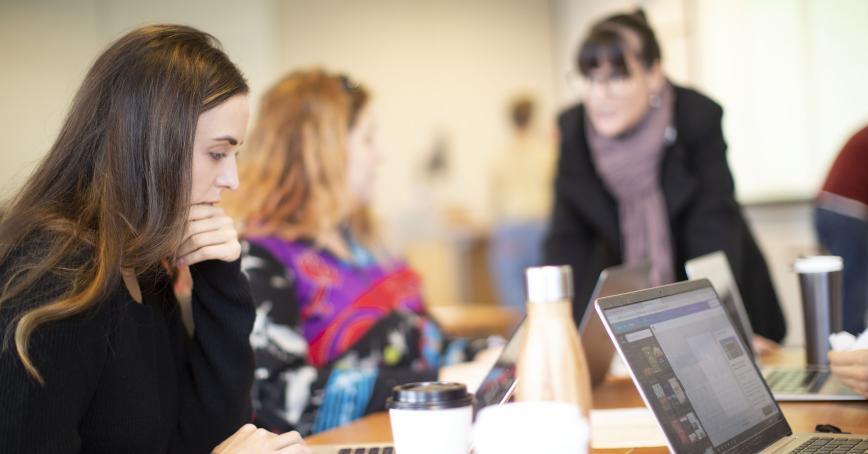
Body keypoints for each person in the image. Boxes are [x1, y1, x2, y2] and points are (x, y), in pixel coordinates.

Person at [0, 25, 310, 453]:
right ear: (149, 147)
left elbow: (209, 436)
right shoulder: (58, 279)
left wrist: (218, 278)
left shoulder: (143, 269)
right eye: (218, 153)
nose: (233, 179)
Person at [228, 69, 495, 436]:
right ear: (324, 150)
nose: (379, 156)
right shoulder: (261, 258)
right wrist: (443, 380)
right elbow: (280, 399)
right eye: (368, 139)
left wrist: (493, 357)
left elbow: (427, 340)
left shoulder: (366, 244)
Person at [544, 9, 787, 347]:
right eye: (590, 77)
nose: (600, 94)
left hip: (722, 301)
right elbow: (567, 245)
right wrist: (571, 337)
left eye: (618, 76)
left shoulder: (696, 117)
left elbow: (712, 229)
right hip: (628, 324)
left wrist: (715, 328)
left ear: (654, 74)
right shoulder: (573, 132)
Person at [488, 95, 556, 310]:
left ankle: (519, 342)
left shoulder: (499, 156)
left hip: (511, 229)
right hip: (542, 226)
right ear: (533, 118)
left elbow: (495, 201)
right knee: (546, 298)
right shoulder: (547, 153)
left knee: (514, 300)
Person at [815, 125, 868, 335]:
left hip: (835, 210)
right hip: (847, 212)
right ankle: (848, 354)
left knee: (848, 288)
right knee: (853, 290)